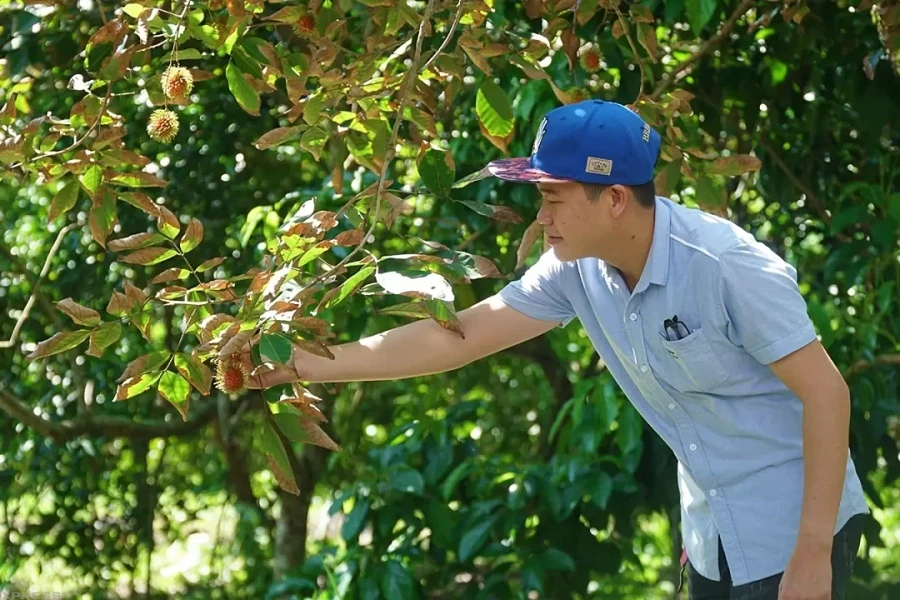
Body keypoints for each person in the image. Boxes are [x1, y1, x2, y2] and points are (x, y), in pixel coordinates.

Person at [250, 99, 870, 600]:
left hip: (793, 524)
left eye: (553, 199)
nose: (541, 219)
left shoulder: (725, 265)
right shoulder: (575, 267)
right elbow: (457, 337)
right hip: (713, 528)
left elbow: (826, 392)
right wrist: (302, 363)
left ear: (616, 198)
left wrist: (812, 553)